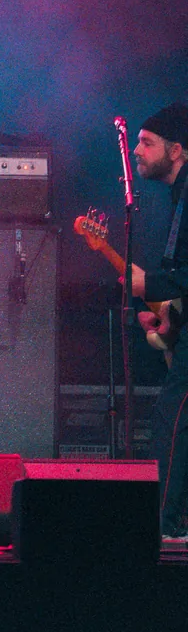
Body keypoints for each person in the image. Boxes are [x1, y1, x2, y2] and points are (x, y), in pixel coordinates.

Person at [128, 103, 188, 535]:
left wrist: (150, 286)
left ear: (177, 150)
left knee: (171, 415)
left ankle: (165, 529)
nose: (135, 150)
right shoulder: (179, 194)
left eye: (147, 143)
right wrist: (172, 319)